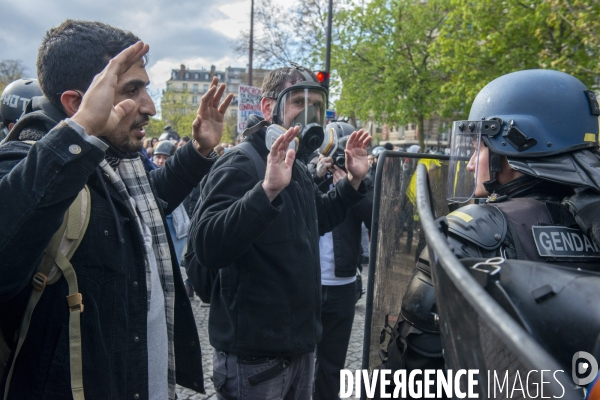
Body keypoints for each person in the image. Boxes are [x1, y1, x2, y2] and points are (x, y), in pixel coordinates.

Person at [0, 20, 232, 400]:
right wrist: (77, 136)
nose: (151, 106)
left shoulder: (115, 159)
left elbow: (138, 212)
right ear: (77, 104)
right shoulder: (27, 161)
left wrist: (197, 151)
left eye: (146, 88)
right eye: (131, 90)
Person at [379, 69, 600, 398]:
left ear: (509, 152)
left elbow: (410, 377)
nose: (468, 164)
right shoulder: (591, 219)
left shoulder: (469, 232)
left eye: (478, 148)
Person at [188, 65, 371, 399]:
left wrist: (354, 182)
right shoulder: (240, 163)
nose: (309, 113)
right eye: (299, 102)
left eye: (316, 104)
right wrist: (266, 191)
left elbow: (319, 217)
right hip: (255, 360)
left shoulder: (296, 166)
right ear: (267, 107)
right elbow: (207, 246)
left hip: (299, 348)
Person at [311, 121, 374, 400]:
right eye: (335, 152)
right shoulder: (307, 174)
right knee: (296, 360)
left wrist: (351, 187)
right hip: (307, 282)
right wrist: (316, 177)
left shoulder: (363, 180)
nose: (340, 158)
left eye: (345, 152)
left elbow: (377, 218)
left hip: (343, 284)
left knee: (331, 364)